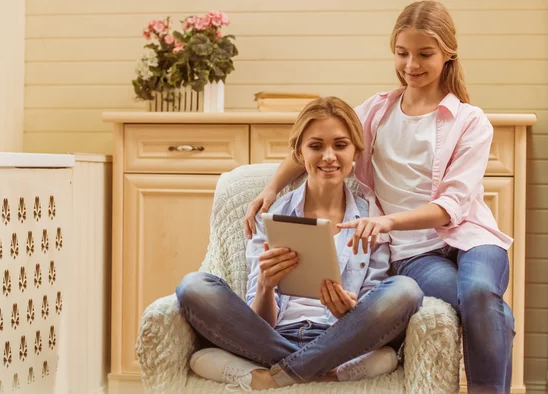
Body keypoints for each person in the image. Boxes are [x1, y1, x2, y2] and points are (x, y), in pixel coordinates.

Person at [243, 2, 514, 393]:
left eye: (424, 54)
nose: (411, 65)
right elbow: (314, 139)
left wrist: (386, 221)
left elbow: (452, 207)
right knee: (486, 306)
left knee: (479, 292)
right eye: (402, 53)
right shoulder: (376, 112)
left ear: (448, 54)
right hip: (414, 253)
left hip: (471, 238)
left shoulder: (471, 121)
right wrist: (270, 189)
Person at [176, 97, 423, 391]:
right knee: (194, 286)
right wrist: (267, 286)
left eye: (340, 145)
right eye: (316, 146)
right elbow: (260, 321)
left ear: (355, 151)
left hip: (339, 337)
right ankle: (321, 369)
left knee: (406, 290)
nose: (329, 156)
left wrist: (349, 313)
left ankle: (273, 375)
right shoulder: (272, 217)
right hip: (273, 337)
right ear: (299, 152)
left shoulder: (372, 218)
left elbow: (369, 322)